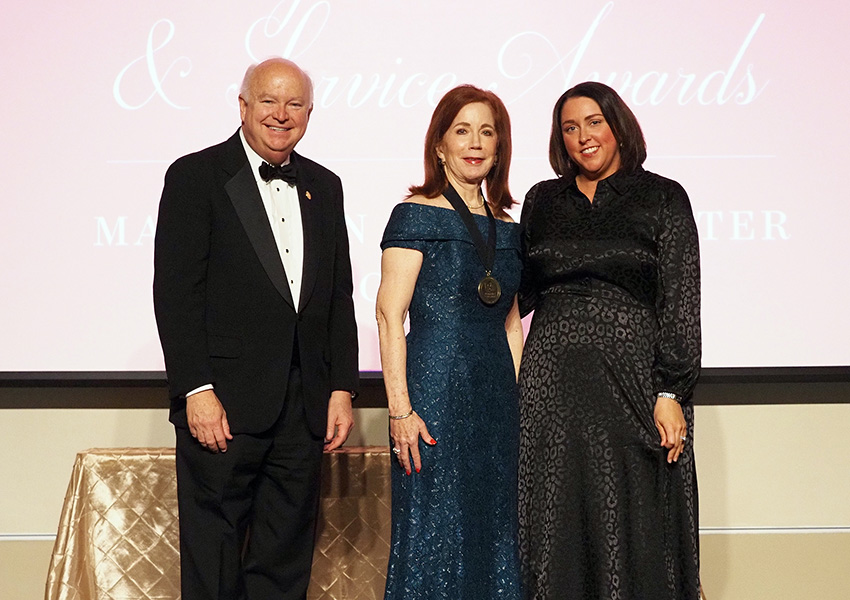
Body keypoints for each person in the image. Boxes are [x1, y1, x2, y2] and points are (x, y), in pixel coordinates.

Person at [152, 57, 359, 600]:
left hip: (303, 408)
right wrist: (196, 389)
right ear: (243, 106)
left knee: (284, 559)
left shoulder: (325, 185)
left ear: (309, 114)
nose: (281, 114)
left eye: (295, 104)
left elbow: (337, 295)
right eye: (268, 100)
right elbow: (176, 294)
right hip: (223, 405)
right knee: (214, 558)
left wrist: (341, 386)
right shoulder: (195, 176)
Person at [517, 81, 702, 599]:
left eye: (593, 122)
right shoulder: (543, 199)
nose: (583, 136)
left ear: (618, 125)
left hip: (636, 384)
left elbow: (681, 299)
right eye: (570, 128)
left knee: (637, 511)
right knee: (557, 512)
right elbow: (517, 293)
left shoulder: (663, 196)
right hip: (550, 385)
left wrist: (671, 393)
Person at [375, 84, 524, 599]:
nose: (475, 142)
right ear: (439, 144)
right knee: (434, 526)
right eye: (462, 130)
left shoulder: (508, 226)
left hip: (496, 397)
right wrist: (400, 409)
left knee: (496, 523)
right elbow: (388, 313)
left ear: (500, 147)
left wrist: (521, 404)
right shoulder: (416, 213)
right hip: (433, 393)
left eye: (487, 131)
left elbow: (510, 324)